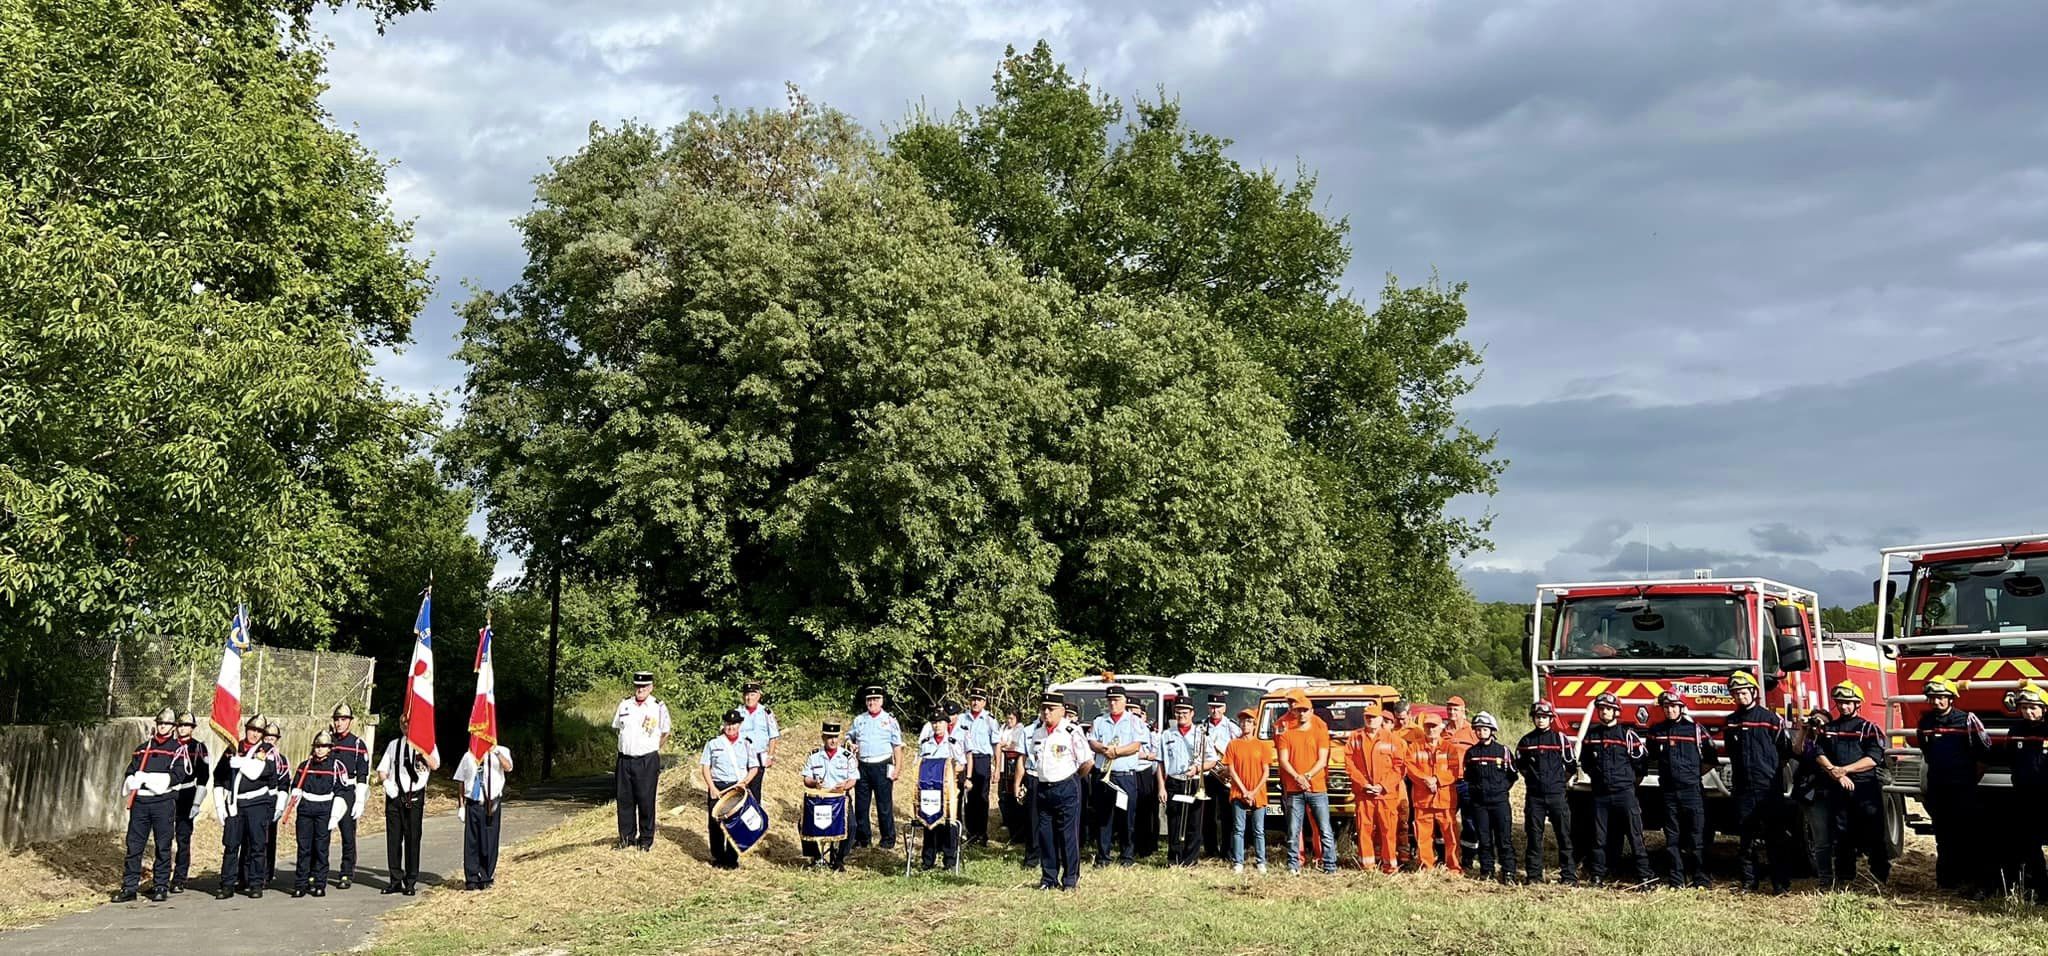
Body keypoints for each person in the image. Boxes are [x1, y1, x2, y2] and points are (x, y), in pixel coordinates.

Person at [1915, 675, 1991, 897]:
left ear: (1951, 698)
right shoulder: (1925, 723)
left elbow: (1983, 752)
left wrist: (1967, 780)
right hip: (1939, 787)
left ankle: (1972, 882)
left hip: (1963, 788)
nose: (1936, 702)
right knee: (1943, 836)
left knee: (1968, 836)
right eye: (1932, 697)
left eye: (1941, 697)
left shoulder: (1967, 720)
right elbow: (1926, 751)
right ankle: (1946, 882)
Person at [1722, 671, 1793, 893]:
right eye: (1736, 693)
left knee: (1775, 838)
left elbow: (1785, 751)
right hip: (1743, 788)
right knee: (1746, 839)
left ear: (1753, 692)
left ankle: (1780, 885)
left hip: (1767, 788)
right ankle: (1749, 882)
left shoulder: (1771, 720)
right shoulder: (1731, 722)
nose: (1740, 697)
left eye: (1743, 692)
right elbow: (1732, 752)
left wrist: (1769, 772)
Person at [1814, 680, 1889, 890]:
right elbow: (1818, 753)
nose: (1844, 706)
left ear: (1858, 704)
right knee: (1842, 835)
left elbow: (1873, 758)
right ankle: (1845, 879)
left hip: (1865, 790)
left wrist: (1845, 769)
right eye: (1840, 703)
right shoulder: (1829, 729)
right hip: (1838, 788)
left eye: (1848, 702)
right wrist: (1835, 773)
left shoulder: (1868, 728)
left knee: (1873, 834)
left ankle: (1878, 878)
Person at [114, 707, 195, 903]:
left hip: (163, 802)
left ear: (173, 727)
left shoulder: (178, 750)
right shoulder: (143, 748)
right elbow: (130, 772)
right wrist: (133, 779)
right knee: (134, 846)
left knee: (163, 845)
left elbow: (176, 777)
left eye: (167, 724)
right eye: (160, 723)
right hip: (141, 802)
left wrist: (147, 778)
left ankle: (160, 885)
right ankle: (130, 886)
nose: (162, 727)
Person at [1645, 690, 1717, 888]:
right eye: (1666, 707)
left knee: (1697, 837)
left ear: (1681, 708)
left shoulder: (1695, 730)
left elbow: (1711, 760)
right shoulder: (1656, 731)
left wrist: (1691, 776)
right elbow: (1651, 756)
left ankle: (1700, 878)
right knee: (1672, 838)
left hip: (1692, 791)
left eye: (1674, 706)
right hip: (1668, 791)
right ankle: (1676, 879)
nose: (1670, 710)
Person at [1579, 692, 1650, 887]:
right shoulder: (1591, 735)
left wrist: (1628, 784)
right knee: (1599, 837)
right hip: (1601, 795)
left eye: (1609, 709)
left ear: (1616, 712)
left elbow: (1641, 765)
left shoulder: (1627, 735)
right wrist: (1598, 779)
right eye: (1601, 709)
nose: (1604, 712)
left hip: (1625, 793)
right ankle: (1597, 876)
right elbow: (1585, 763)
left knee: (1635, 836)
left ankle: (1644, 877)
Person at [213, 714, 284, 899]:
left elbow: (259, 772)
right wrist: (220, 805)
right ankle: (227, 884)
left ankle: (255, 883)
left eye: (259, 731)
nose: (254, 734)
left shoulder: (266, 750)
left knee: (257, 846)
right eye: (252, 729)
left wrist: (242, 762)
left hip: (257, 804)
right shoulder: (233, 748)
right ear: (246, 729)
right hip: (235, 803)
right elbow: (219, 777)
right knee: (231, 846)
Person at [1030, 692, 1094, 890]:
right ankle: (1048, 878)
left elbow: (1087, 762)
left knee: (1068, 834)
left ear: (1062, 711)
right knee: (1046, 835)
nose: (1046, 712)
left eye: (1051, 709)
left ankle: (1070, 879)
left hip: (1066, 786)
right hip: (1043, 787)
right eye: (1043, 709)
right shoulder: (1038, 732)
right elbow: (1034, 758)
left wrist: (1072, 778)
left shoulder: (1071, 731)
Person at [374, 712, 438, 895]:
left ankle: (410, 881)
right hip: (395, 797)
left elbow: (434, 765)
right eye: (403, 725)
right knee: (394, 840)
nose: (406, 728)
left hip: (415, 798)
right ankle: (395, 880)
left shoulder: (427, 744)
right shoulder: (394, 745)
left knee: (412, 840)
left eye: (410, 725)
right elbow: (382, 770)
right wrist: (386, 783)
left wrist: (422, 751)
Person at [1275, 689, 1336, 875]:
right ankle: (1294, 864)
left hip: (1316, 786)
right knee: (1293, 829)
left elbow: (1323, 759)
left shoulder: (1319, 726)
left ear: (1310, 710)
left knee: (1324, 828)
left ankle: (1329, 864)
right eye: (1293, 705)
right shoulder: (1283, 727)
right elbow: (1282, 758)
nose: (1296, 709)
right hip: (1293, 786)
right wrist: (1297, 778)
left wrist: (1307, 776)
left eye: (1302, 707)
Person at [1516, 700, 1576, 885]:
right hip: (1535, 797)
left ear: (1550, 719)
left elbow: (1571, 766)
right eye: (1537, 717)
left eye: (1544, 717)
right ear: (1533, 719)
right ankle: (1533, 876)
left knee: (1564, 836)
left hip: (1557, 795)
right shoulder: (1526, 742)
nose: (1540, 720)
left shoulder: (1560, 739)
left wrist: (1557, 783)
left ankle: (1568, 876)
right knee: (1534, 837)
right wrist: (1535, 782)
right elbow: (1521, 767)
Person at [1088, 685, 1148, 867]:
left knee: (1126, 817)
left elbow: (1137, 745)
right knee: (1103, 817)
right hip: (1104, 774)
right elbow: (1092, 741)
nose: (1113, 703)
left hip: (1124, 775)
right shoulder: (1100, 721)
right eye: (1110, 700)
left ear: (1124, 701)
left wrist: (1117, 751)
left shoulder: (1134, 721)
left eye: (1116, 700)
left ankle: (1126, 856)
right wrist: (1103, 749)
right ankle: (1103, 856)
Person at [288, 730, 352, 898]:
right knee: (304, 848)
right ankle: (301, 884)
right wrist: (294, 792)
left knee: (321, 848)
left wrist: (335, 814)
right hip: (306, 809)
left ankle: (319, 883)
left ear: (330, 748)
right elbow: (296, 785)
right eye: (317, 746)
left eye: (323, 746)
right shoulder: (305, 765)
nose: (319, 749)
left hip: (324, 809)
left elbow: (342, 790)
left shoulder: (336, 766)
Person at [613, 670, 671, 852]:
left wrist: (651, 748)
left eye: (644, 686)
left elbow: (665, 732)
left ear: (651, 687)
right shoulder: (624, 705)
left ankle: (646, 840)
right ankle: (626, 837)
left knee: (646, 800)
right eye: (638, 686)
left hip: (646, 759)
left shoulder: (657, 706)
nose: (640, 689)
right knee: (625, 800)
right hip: (625, 760)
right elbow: (618, 728)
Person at [1345, 703, 1405, 873]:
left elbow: (1399, 766)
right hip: (1364, 793)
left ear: (1381, 719)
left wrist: (1382, 786)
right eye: (1368, 717)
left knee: (1388, 830)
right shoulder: (1355, 737)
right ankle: (1367, 865)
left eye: (1374, 717)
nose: (1371, 720)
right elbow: (1349, 764)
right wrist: (1364, 784)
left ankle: (1390, 866)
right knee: (1364, 829)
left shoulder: (1393, 739)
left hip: (1386, 795)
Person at [2003, 681, 2048, 903]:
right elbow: (2010, 758)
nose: (2028, 712)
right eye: (2024, 708)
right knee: (2029, 844)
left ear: (2044, 709)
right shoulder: (2016, 731)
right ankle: (2038, 888)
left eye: (2033, 707)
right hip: (2024, 795)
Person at [700, 708, 762, 869]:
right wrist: (711, 787)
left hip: (737, 787)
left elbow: (754, 767)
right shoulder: (713, 743)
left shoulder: (746, 743)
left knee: (736, 824)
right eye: (728, 724)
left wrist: (745, 782)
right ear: (724, 724)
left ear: (740, 725)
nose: (731, 727)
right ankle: (718, 857)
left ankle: (732, 858)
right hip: (719, 786)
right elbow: (706, 767)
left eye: (734, 724)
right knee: (716, 824)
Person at [846, 685, 905, 850]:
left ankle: (887, 838)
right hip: (863, 766)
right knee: (861, 804)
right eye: (869, 700)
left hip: (882, 765)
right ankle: (863, 838)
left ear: (881, 701)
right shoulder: (859, 720)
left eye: (875, 699)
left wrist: (898, 768)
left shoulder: (890, 720)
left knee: (884, 804)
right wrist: (850, 744)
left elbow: (897, 746)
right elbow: (849, 736)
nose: (872, 703)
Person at [1462, 712, 1516, 884]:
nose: (1481, 732)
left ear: (1492, 730)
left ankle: (1508, 873)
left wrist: (1500, 790)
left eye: (1484, 729)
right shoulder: (1471, 753)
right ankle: (1487, 871)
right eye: (1477, 729)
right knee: (1484, 840)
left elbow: (1512, 775)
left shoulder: (1503, 751)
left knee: (1504, 840)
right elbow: (1468, 776)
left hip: (1500, 803)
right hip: (1479, 804)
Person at [453, 738, 514, 890]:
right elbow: (461, 781)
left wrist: (496, 751)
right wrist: (461, 805)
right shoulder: (469, 755)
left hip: (491, 803)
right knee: (472, 842)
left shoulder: (501, 751)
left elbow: (508, 767)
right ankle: (472, 878)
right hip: (473, 803)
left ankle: (486, 876)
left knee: (489, 841)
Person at [1156, 700, 1208, 867]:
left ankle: (1190, 859)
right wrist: (1161, 787)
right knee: (1174, 821)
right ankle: (1174, 858)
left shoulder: (1201, 734)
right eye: (1178, 712)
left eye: (1185, 712)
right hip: (1174, 782)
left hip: (1193, 782)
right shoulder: (1167, 735)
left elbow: (1213, 760)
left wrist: (1198, 768)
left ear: (1192, 713)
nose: (1181, 715)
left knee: (1194, 821)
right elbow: (1160, 763)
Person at [1407, 712, 1461, 873]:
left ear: (1441, 727)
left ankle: (1454, 867)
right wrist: (1425, 780)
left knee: (1451, 836)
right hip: (1423, 799)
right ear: (1423, 728)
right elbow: (1409, 767)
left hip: (1444, 799)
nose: (1431, 730)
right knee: (1423, 837)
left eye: (1434, 726)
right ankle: (1426, 866)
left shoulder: (1448, 747)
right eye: (1428, 726)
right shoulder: (1414, 746)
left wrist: (1437, 779)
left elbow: (1454, 770)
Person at [801, 720, 859, 870]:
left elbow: (853, 779)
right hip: (820, 799)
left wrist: (845, 786)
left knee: (852, 825)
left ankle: (839, 859)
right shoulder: (814, 756)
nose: (832, 740)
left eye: (835, 737)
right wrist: (814, 783)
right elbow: (806, 778)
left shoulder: (847, 756)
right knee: (803, 824)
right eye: (829, 737)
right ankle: (816, 857)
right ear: (823, 738)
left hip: (840, 798)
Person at [1223, 708, 1272, 874]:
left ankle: (1261, 861)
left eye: (1249, 721)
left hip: (1258, 792)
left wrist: (1253, 791)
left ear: (1254, 724)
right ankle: (1238, 861)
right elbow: (1231, 769)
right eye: (1242, 721)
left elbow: (1266, 771)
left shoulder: (1262, 745)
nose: (1245, 724)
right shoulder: (1233, 744)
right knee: (1238, 829)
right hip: (1239, 792)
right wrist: (1244, 791)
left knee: (1259, 830)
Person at [328, 702, 370, 890]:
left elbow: (362, 774)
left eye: (343, 719)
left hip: (348, 791)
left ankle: (346, 872)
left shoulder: (357, 744)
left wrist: (360, 799)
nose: (339, 723)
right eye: (337, 719)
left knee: (347, 834)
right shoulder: (327, 741)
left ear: (350, 722)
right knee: (322, 834)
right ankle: (317, 870)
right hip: (327, 791)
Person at [917, 705, 966, 870]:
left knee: (949, 824)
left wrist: (948, 771)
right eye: (934, 722)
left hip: (947, 791)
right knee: (929, 823)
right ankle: (928, 860)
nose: (937, 725)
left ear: (946, 724)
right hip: (929, 791)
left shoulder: (952, 743)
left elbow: (961, 764)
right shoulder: (925, 744)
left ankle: (950, 860)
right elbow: (919, 765)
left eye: (940, 722)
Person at [1790, 707, 1834, 886]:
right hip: (1812, 793)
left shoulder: (1832, 739)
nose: (1816, 725)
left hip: (1833, 791)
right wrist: (1803, 730)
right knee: (1821, 837)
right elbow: (1797, 751)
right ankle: (1825, 878)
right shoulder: (1808, 742)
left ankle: (1842, 874)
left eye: (1820, 721)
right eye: (1814, 720)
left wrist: (1824, 732)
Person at [168, 711, 207, 894]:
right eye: (180, 725)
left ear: (192, 729)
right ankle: (161, 877)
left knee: (183, 838)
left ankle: (179, 878)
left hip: (187, 794)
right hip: (168, 794)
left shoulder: (198, 747)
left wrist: (197, 803)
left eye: (186, 726)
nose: (182, 729)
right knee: (164, 839)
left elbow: (203, 777)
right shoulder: (170, 745)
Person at [957, 689, 1000, 847]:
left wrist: (997, 768)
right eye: (973, 699)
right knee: (967, 798)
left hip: (982, 760)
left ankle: (981, 834)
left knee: (981, 797)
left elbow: (996, 745)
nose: (975, 702)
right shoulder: (962, 718)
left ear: (984, 702)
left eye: (979, 700)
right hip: (965, 759)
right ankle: (970, 832)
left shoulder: (989, 720)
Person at [1199, 693, 1240, 857]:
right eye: (1212, 707)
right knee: (1207, 815)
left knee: (1227, 815)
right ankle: (1210, 849)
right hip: (1209, 774)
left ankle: (1227, 850)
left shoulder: (1232, 727)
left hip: (1225, 775)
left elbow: (1238, 750)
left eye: (1218, 707)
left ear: (1224, 708)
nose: (1215, 710)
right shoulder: (1201, 726)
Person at [1443, 696, 1481, 860]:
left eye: (1456, 709)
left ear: (1463, 711)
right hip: (1447, 783)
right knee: (1446, 819)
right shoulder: (1442, 731)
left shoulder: (1472, 731)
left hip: (1466, 782)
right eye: (1450, 709)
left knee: (1469, 820)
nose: (1452, 712)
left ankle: (1468, 857)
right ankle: (1446, 855)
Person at [736, 681, 780, 806]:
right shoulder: (738, 712)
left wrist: (770, 756)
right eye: (746, 695)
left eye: (752, 694)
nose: (749, 698)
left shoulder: (766, 713)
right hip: (741, 757)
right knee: (741, 788)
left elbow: (773, 735)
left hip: (758, 756)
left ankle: (755, 816)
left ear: (759, 696)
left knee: (755, 790)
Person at [261, 719, 288, 887]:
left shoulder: (281, 759)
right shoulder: (256, 755)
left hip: (272, 799)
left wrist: (280, 805)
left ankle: (267, 873)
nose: (270, 740)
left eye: (273, 737)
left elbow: (285, 783)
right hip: (257, 800)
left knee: (269, 838)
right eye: (267, 737)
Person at [997, 709, 1028, 849]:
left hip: (1013, 768)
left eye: (1011, 719)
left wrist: (1002, 745)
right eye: (1007, 718)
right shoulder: (1002, 728)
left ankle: (1018, 834)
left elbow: (1015, 746)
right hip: (1003, 768)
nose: (1008, 721)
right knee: (1002, 798)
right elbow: (998, 743)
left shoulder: (1021, 729)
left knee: (1015, 800)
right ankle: (1007, 824)